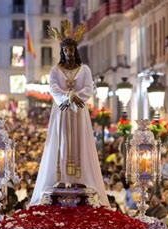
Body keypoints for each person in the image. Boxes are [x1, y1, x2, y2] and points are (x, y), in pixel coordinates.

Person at [30, 20, 109, 206]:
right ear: (62, 52)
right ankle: (63, 176)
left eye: (71, 50)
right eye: (66, 50)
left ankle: (79, 177)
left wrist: (75, 97)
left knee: (80, 142)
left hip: (78, 111)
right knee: (62, 141)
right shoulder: (55, 70)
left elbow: (89, 87)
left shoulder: (85, 69)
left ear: (75, 50)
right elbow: (53, 88)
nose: (69, 53)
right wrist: (68, 97)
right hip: (62, 111)